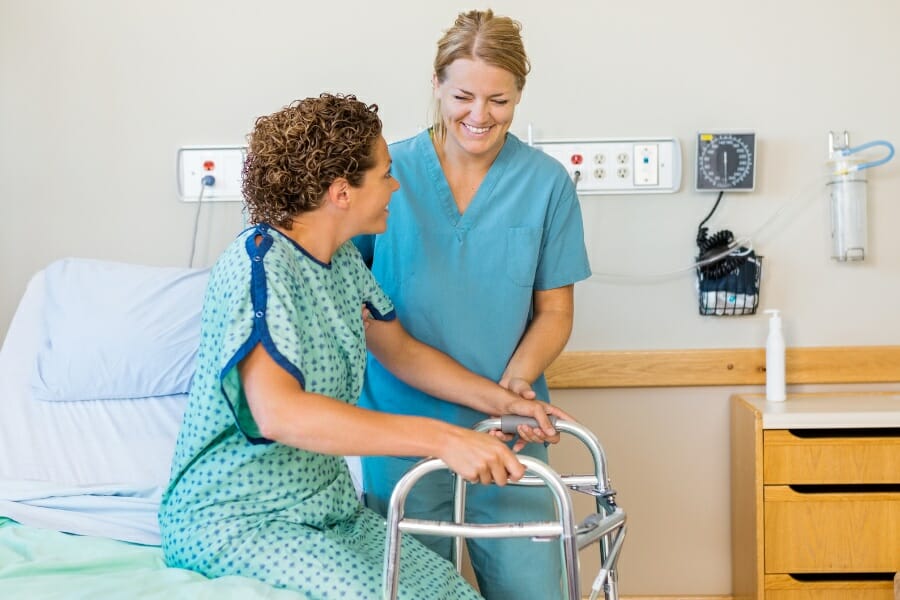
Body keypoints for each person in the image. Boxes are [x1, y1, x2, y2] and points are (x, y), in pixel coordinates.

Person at [157, 93, 572, 600]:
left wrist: (504, 401)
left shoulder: (342, 264)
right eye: (385, 175)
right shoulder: (260, 266)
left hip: (328, 513)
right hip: (241, 520)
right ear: (341, 192)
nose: (396, 186)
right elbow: (278, 414)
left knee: (452, 593)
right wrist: (443, 440)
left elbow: (400, 350)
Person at [353, 10, 592, 600]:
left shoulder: (546, 184)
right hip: (401, 430)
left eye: (499, 100)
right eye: (462, 96)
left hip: (508, 429)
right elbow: (355, 309)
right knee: (413, 589)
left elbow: (555, 312)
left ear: (519, 96)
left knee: (535, 587)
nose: (479, 116)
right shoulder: (386, 176)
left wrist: (514, 385)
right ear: (436, 85)